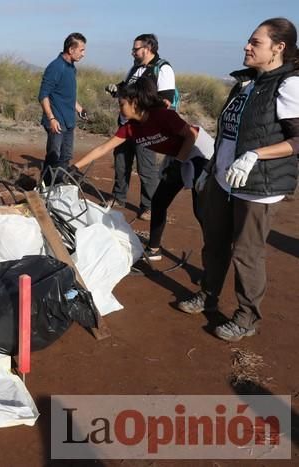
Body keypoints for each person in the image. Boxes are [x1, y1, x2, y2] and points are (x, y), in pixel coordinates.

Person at [177, 17, 299, 342]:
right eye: (249, 40)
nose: (246, 46)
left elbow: (297, 140)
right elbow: (229, 135)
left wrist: (256, 155)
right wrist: (211, 169)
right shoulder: (245, 82)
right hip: (224, 178)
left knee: (247, 253)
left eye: (255, 42)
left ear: (279, 48)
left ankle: (246, 318)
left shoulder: (288, 84)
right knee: (214, 242)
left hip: (259, 185)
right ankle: (208, 294)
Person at [73, 78, 214, 259]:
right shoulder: (131, 128)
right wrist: (75, 167)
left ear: (134, 102)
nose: (119, 108)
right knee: (159, 201)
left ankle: (214, 257)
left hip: (200, 154)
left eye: (122, 104)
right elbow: (103, 148)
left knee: (201, 211)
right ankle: (154, 249)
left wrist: (178, 164)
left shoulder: (163, 116)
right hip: (178, 158)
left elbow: (191, 135)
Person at [105, 34, 177, 221]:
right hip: (126, 125)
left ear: (148, 47)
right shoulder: (134, 68)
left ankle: (149, 206)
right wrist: (116, 89)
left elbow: (166, 101)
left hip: (146, 128)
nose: (133, 52)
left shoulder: (163, 69)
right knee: (121, 162)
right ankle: (118, 197)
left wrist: (144, 110)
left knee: (146, 168)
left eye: (136, 49)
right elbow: (126, 90)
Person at [38, 33, 87, 185]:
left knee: (66, 156)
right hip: (56, 121)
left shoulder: (71, 68)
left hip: (69, 121)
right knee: (54, 156)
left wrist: (79, 109)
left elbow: (67, 95)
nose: (83, 54)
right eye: (82, 50)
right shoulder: (55, 67)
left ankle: (59, 185)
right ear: (71, 50)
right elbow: (43, 95)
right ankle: (45, 188)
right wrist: (51, 118)